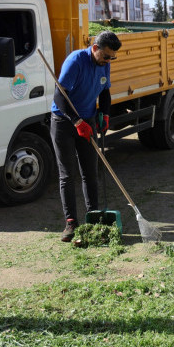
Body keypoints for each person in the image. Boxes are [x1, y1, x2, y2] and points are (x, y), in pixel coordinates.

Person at [50, 31, 121, 242]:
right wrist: (76, 122)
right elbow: (59, 95)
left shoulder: (104, 63)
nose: (109, 61)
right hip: (64, 121)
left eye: (112, 58)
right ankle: (71, 222)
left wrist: (105, 114)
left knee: (90, 171)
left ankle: (93, 217)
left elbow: (105, 91)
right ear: (95, 48)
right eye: (106, 56)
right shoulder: (75, 62)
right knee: (66, 175)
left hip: (88, 119)